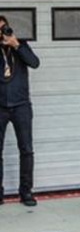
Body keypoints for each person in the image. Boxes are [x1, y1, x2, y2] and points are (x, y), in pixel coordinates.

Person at [0, 16, 40, 206]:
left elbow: (34, 63)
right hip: (0, 107)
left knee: (26, 150)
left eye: (4, 29)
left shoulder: (20, 45)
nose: (2, 34)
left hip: (21, 106)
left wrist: (16, 44)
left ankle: (26, 192)